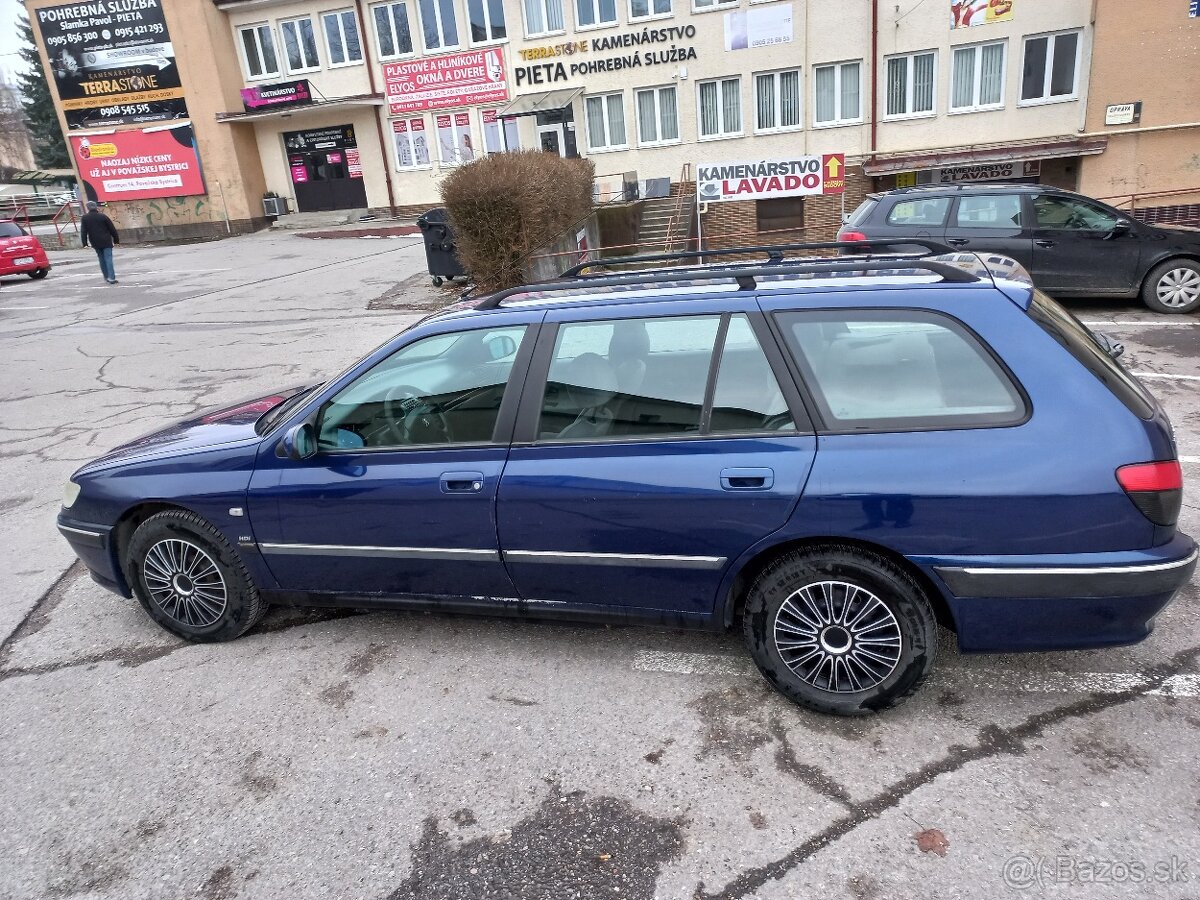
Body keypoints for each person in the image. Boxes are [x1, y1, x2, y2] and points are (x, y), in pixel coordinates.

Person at [80, 201, 120, 284]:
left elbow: (83, 231)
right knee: (108, 259)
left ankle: (106, 277)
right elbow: (112, 229)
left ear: (87, 208)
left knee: (101, 259)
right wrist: (116, 240)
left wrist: (85, 243)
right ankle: (111, 278)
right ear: (96, 207)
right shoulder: (103, 216)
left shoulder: (85, 218)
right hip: (106, 241)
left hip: (95, 242)